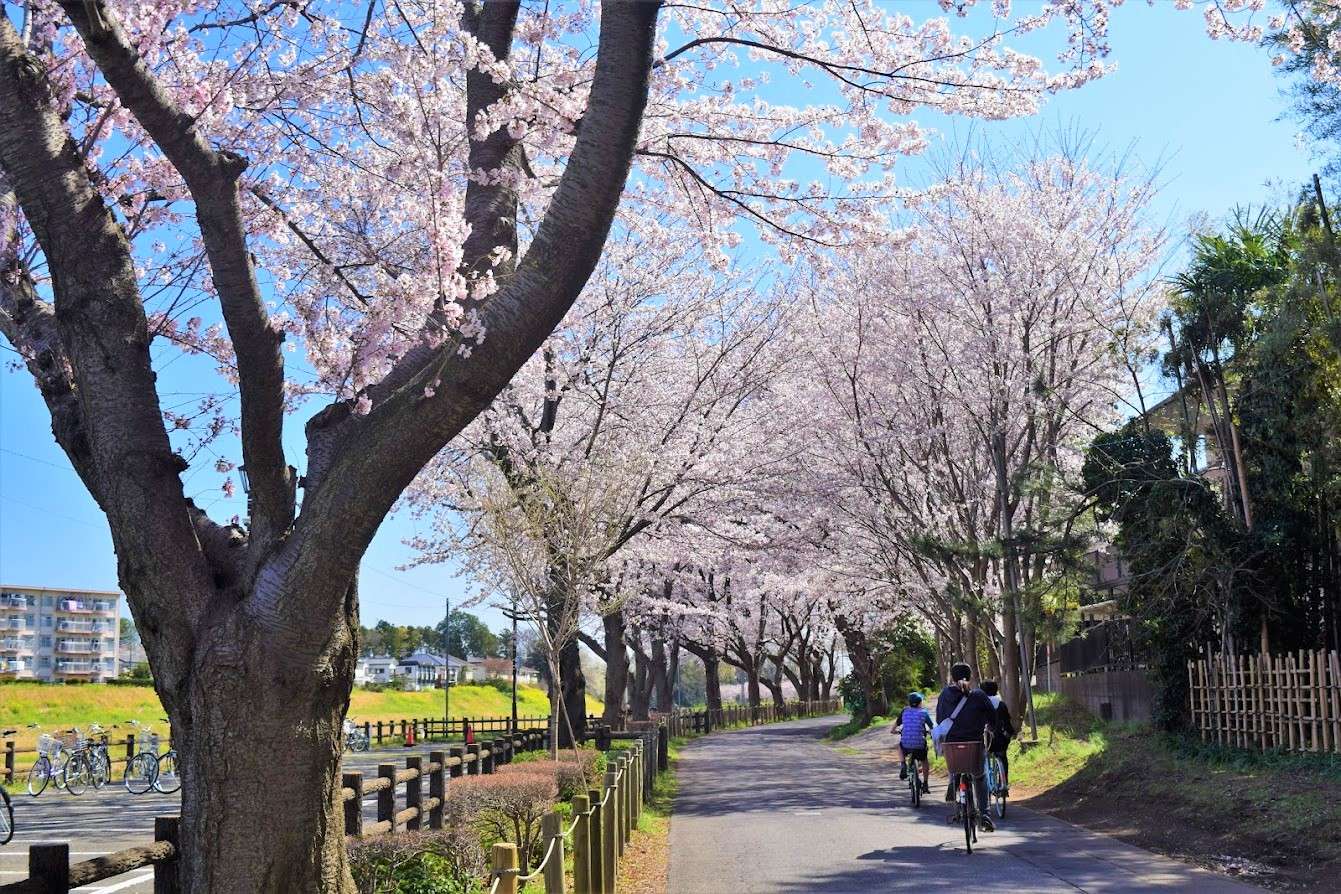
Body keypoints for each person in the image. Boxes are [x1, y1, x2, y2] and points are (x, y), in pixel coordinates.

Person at [936, 662, 997, 832]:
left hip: (952, 745)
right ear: (970, 677)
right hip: (974, 744)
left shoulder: (944, 695)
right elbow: (992, 717)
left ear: (952, 677)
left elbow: (940, 719)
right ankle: (985, 814)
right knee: (980, 776)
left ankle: (954, 780)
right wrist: (990, 728)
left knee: (955, 765)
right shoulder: (978, 695)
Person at [892, 692, 932, 794]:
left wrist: (894, 731)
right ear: (920, 703)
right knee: (924, 760)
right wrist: (930, 732)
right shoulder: (924, 712)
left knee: (900, 746)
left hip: (906, 744)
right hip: (919, 744)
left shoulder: (904, 711)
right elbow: (932, 727)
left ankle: (903, 765)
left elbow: (894, 727)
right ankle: (926, 784)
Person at [980, 680, 1014, 796]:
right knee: (1002, 757)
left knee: (983, 759)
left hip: (986, 740)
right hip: (1000, 739)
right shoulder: (1001, 704)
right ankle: (1004, 783)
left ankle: (984, 786)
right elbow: (1008, 724)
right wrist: (1009, 736)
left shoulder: (981, 704)